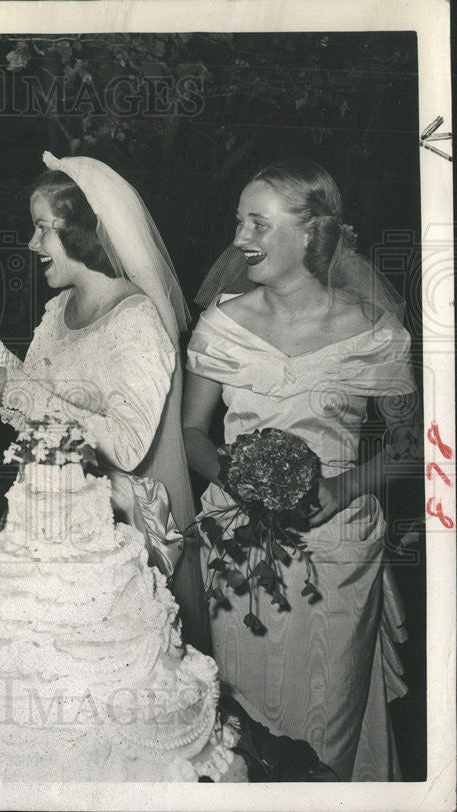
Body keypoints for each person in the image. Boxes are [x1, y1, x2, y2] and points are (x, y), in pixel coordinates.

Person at [182, 158, 417, 780]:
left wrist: (342, 488)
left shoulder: (373, 332)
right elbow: (191, 434)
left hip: (339, 552)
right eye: (239, 222)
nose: (239, 239)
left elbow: (413, 445)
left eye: (257, 223)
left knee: (327, 717)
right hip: (239, 555)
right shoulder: (221, 326)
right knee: (243, 719)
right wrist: (238, 479)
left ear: (310, 232)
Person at [0, 151, 211, 654]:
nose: (32, 243)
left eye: (42, 229)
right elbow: (27, 403)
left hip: (106, 535)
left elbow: (130, 446)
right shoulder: (58, 309)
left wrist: (18, 389)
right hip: (44, 511)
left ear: (82, 230)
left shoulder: (135, 320)